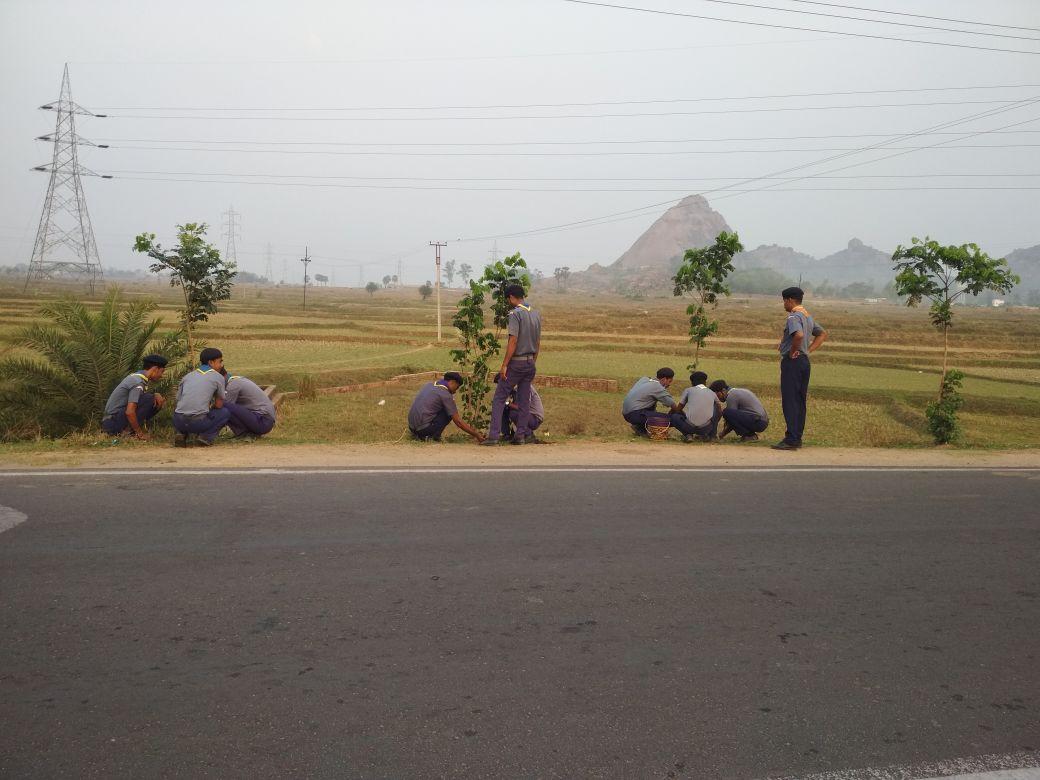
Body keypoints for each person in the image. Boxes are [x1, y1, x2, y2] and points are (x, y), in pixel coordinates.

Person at [484, 284, 542, 445]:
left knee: (499, 398)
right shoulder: (536, 314)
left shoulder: (515, 314)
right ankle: (520, 436)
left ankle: (493, 436)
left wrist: (504, 365)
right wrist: (532, 362)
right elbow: (537, 342)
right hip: (530, 362)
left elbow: (513, 340)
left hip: (516, 363)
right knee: (524, 401)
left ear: (511, 297)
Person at [773, 287, 827, 450]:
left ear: (790, 300)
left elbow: (799, 335)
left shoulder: (793, 316)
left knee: (790, 400)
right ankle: (797, 437)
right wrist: (807, 350)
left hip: (793, 363)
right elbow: (822, 334)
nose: (784, 304)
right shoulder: (807, 316)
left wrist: (792, 352)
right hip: (804, 362)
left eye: (784, 301)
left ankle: (791, 439)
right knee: (799, 400)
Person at [172, 347, 231, 447]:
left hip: (178, 421)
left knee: (181, 410)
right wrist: (210, 408)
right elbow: (219, 405)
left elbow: (178, 400)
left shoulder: (187, 376)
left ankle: (181, 433)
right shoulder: (218, 377)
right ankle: (206, 437)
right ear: (211, 362)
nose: (221, 365)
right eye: (220, 362)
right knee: (224, 412)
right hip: (198, 423)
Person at [101, 354, 168, 439]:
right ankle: (127, 432)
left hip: (111, 421)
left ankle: (129, 430)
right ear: (155, 369)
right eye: (162, 371)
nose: (161, 375)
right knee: (149, 399)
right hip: (112, 423)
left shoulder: (137, 378)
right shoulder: (138, 383)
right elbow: (129, 411)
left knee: (153, 399)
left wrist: (155, 394)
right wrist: (140, 434)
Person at [408, 371, 484, 443]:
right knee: (449, 412)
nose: (455, 392)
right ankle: (431, 437)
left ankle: (419, 434)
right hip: (423, 429)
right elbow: (458, 422)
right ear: (452, 382)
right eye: (456, 387)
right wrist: (476, 435)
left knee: (445, 408)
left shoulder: (429, 385)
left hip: (411, 428)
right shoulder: (446, 395)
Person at [622, 368, 680, 436]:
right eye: (669, 381)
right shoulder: (657, 387)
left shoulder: (644, 380)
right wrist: (682, 416)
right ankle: (687, 433)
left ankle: (640, 428)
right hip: (635, 414)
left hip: (627, 413)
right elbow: (672, 404)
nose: (669, 384)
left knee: (652, 407)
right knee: (674, 419)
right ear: (664, 379)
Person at [221, 369, 277, 438]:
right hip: (265, 420)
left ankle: (243, 433)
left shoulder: (233, 385)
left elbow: (222, 409)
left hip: (263, 421)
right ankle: (246, 433)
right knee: (227, 406)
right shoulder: (238, 380)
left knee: (224, 405)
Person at [673, 370, 722, 441]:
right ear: (705, 382)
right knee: (716, 409)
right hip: (706, 428)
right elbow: (719, 412)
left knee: (674, 417)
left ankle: (688, 435)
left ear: (692, 382)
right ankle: (712, 436)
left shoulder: (688, 390)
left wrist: (685, 416)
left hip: (689, 427)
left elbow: (678, 409)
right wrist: (713, 422)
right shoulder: (712, 393)